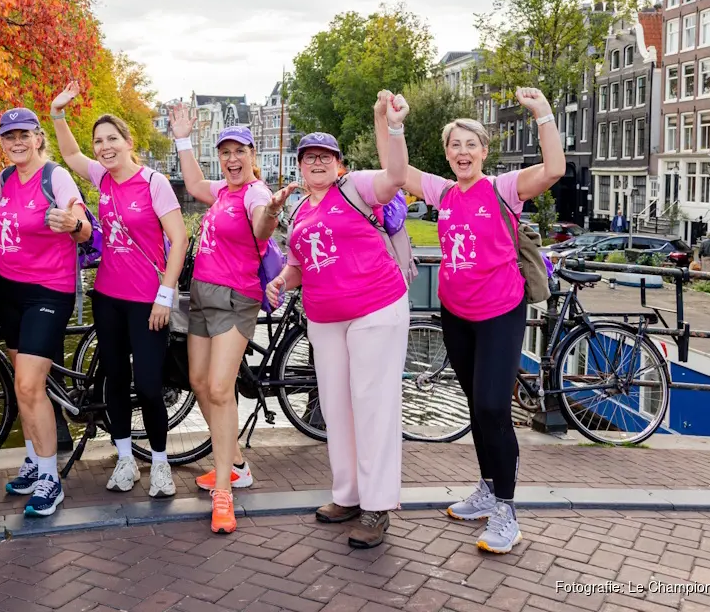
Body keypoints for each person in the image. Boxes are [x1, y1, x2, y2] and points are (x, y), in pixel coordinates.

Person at [374, 87, 564, 554]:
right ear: (447, 153)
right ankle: (487, 488)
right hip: (456, 314)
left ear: (483, 151)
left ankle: (506, 511)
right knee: (477, 406)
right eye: (455, 145)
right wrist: (389, 121)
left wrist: (542, 113)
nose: (462, 152)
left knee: (495, 408)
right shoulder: (442, 192)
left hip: (500, 312)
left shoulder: (503, 188)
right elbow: (394, 170)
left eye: (470, 145)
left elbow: (554, 169)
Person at [264, 101, 411, 549]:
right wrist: (280, 281)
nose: (317, 162)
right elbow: (298, 266)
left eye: (325, 156)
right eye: (309, 157)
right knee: (335, 406)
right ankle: (348, 494)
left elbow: (396, 177)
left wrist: (394, 128)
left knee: (372, 403)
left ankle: (377, 506)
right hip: (325, 318)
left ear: (338, 162)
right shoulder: (299, 213)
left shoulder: (357, 186)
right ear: (300, 166)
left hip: (375, 307)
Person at [49, 81, 188, 498]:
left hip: (147, 301)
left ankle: (159, 463)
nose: (104, 147)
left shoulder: (153, 182)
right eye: (99, 141)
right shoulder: (102, 177)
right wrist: (58, 113)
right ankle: (125, 458)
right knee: (114, 381)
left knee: (148, 385)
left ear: (129, 143)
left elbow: (179, 240)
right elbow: (70, 155)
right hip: (108, 297)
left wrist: (165, 296)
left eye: (112, 139)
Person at [168, 106, 292, 534]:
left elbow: (260, 229)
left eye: (240, 151)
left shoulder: (256, 193)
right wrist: (183, 139)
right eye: (226, 152)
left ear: (252, 155)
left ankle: (224, 491)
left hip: (236, 299)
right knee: (199, 382)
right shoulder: (223, 190)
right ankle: (236, 463)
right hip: (203, 295)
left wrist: (272, 211)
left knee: (221, 388)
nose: (232, 159)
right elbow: (194, 183)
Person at [0, 107, 92, 517]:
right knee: (24, 388)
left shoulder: (55, 176)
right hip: (10, 291)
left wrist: (72, 223)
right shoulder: (4, 178)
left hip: (48, 291)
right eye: (9, 136)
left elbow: (86, 229)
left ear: (38, 138)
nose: (17, 142)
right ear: (2, 142)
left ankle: (51, 480)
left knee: (29, 385)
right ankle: (35, 459)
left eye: (24, 135)